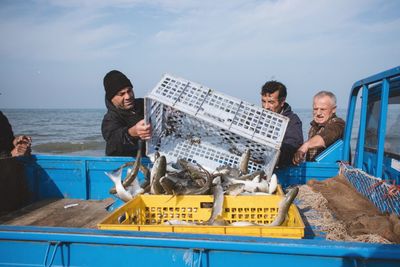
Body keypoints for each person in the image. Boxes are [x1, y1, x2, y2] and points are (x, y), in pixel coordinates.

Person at [101, 70, 151, 156]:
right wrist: (132, 132)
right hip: (125, 163)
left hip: (152, 157)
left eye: (129, 91)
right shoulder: (110, 119)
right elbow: (114, 140)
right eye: (122, 94)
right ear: (112, 98)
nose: (128, 96)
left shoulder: (144, 104)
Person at [293, 91, 345, 165]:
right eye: (315, 109)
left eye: (323, 109)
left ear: (333, 109)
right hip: (315, 170)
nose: (318, 113)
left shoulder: (338, 124)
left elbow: (326, 136)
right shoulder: (313, 127)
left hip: (332, 172)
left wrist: (305, 146)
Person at [261, 81, 303, 168]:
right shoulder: (257, 117)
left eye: (271, 102)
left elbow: (293, 146)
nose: (266, 107)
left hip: (280, 168)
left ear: (282, 102)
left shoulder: (293, 121)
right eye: (264, 101)